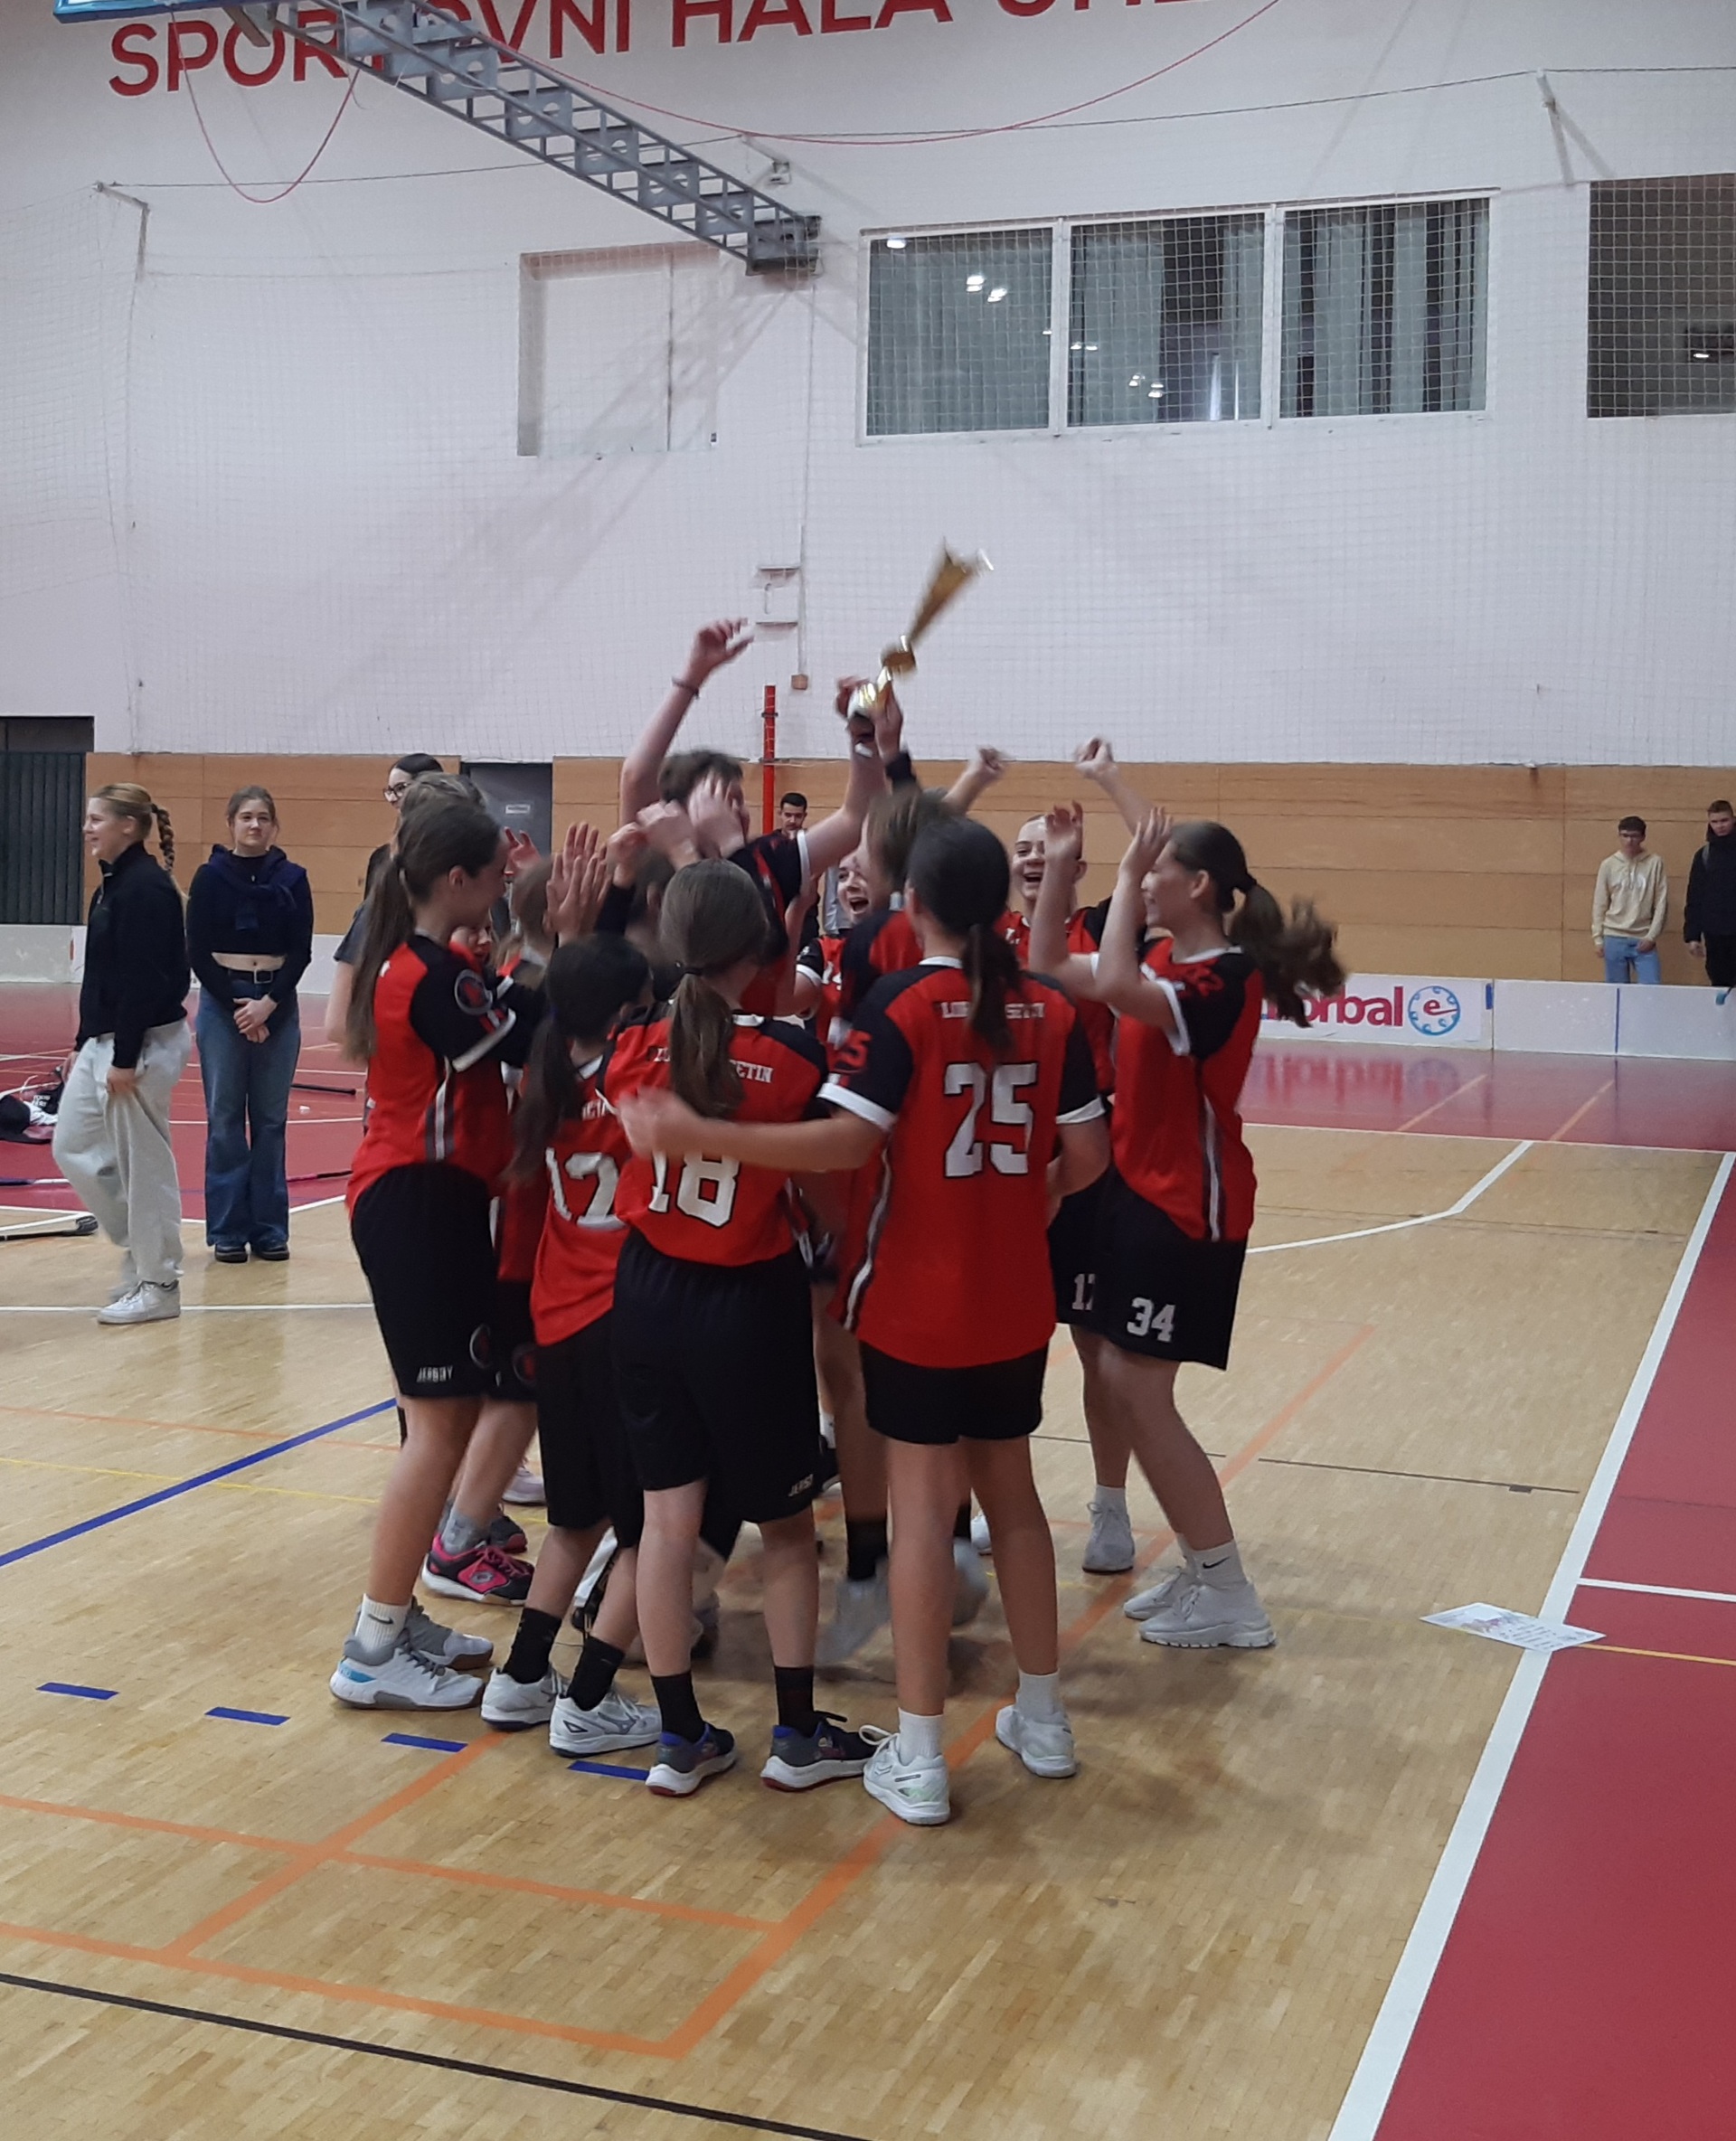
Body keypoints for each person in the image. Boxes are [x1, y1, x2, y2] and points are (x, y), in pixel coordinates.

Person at [624, 818, 1109, 1829]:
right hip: (1015, 1293)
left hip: (916, 1295)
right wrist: (1026, 1205)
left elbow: (846, 1146)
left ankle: (921, 1755)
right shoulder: (1051, 1006)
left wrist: (698, 1132)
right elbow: (1090, 1157)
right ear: (1001, 906)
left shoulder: (899, 1005)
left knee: (923, 1513)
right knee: (1015, 1499)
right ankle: (1047, 1719)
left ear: (915, 904)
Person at [1033, 802, 1342, 1653]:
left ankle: (1230, 1590)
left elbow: (1114, 981)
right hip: (1137, 1199)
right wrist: (1060, 864)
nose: (1143, 882)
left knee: (1139, 1392)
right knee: (1116, 1377)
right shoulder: (1168, 958)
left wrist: (1123, 872)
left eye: (1158, 870)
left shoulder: (1221, 981)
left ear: (1197, 885)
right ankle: (1206, 1568)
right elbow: (1050, 961)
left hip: (1188, 1210)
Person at [605, 861, 876, 1798]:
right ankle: (796, 1733)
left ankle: (679, 1736)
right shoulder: (795, 1058)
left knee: (666, 1521)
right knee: (789, 1528)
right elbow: (829, 1194)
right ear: (759, 948)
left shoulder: (632, 1046)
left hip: (644, 1290)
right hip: (745, 1300)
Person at [330, 792, 546, 1711]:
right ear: (456, 878)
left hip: (435, 1204)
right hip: (415, 1202)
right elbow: (531, 1030)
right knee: (435, 1430)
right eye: (496, 875)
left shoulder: (434, 962)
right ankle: (373, 1645)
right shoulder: (427, 975)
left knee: (448, 1423)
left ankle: (399, 1617)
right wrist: (560, 936)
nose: (502, 887)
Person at [477, 934, 665, 1757]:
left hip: (555, 1318)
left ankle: (521, 1676)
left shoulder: (543, 1079)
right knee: (653, 1527)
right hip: (622, 1320)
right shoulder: (638, 1083)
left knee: (574, 1519)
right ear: (627, 1015)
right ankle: (588, 1698)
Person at [1008, 809, 1131, 1573]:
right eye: (1023, 849)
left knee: (1097, 1349)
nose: (1035, 858)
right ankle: (999, 1496)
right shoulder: (984, 937)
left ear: (1077, 868)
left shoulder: (1096, 934)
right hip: (1006, 1162)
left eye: (1049, 851)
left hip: (1084, 1158)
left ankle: (1110, 1503)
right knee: (1004, 1348)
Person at [54, 785, 191, 1327]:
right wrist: (83, 1042)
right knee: (72, 1145)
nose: (87, 828)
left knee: (143, 1166)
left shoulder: (146, 890)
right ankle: (141, 1248)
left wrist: (125, 1058)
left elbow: (143, 982)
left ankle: (159, 1284)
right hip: (104, 1041)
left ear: (128, 826)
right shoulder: (111, 884)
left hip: (142, 1044)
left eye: (97, 819)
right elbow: (102, 976)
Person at [186, 787, 315, 1263]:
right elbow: (197, 951)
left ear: (274, 826)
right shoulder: (209, 878)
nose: (255, 825)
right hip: (225, 1004)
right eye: (246, 817)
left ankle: (269, 1230)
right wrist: (240, 1008)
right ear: (231, 824)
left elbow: (301, 951)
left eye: (263, 817)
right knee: (224, 1119)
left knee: (270, 1121)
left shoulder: (294, 880)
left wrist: (268, 1005)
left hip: (277, 1004)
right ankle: (226, 1230)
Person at [325, 754, 444, 1056]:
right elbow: (371, 927)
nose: (393, 799)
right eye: (389, 791)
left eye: (400, 789)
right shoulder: (382, 859)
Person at [1592, 816, 1667, 985]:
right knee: (1616, 992)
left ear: (1642, 837)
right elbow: (1600, 903)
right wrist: (1598, 938)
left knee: (1651, 989)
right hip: (1614, 936)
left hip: (1643, 936)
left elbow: (1661, 902)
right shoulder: (1608, 864)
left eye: (1634, 836)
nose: (1629, 841)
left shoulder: (1655, 862)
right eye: (1625, 836)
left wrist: (1652, 936)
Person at [1684, 798, 1736, 988]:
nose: (1720, 826)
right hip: (1715, 934)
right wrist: (1692, 935)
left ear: (1733, 820)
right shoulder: (1704, 855)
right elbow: (1694, 897)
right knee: (1718, 982)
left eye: (1724, 820)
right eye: (1715, 822)